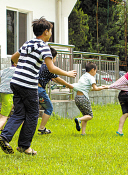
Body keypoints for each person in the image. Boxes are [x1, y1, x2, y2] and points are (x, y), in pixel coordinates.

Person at [0, 17, 76, 156]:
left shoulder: (28, 43)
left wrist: (21, 65)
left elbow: (13, 57)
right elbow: (51, 68)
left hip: (15, 81)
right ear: (46, 32)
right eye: (51, 31)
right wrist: (68, 73)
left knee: (19, 113)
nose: (51, 34)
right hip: (28, 85)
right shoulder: (44, 47)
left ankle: (4, 137)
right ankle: (24, 146)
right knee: (33, 114)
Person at [37, 47, 74, 135]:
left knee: (31, 110)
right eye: (55, 57)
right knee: (49, 108)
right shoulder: (48, 67)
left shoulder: (40, 65)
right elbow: (58, 79)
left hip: (32, 89)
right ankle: (42, 128)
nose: (55, 60)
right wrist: (69, 85)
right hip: (39, 90)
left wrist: (65, 84)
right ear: (51, 58)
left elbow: (54, 79)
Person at [72, 62, 109, 135]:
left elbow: (87, 88)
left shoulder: (83, 76)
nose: (95, 73)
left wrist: (100, 87)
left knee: (85, 115)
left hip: (77, 98)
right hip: (83, 98)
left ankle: (83, 132)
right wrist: (102, 88)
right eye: (96, 71)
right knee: (90, 116)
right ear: (92, 70)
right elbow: (95, 88)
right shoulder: (91, 77)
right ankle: (79, 119)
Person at [0, 60, 17, 130]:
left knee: (4, 111)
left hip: (1, 91)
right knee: (4, 116)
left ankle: (1, 128)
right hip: (9, 93)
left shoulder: (5, 70)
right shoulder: (18, 71)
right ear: (15, 63)